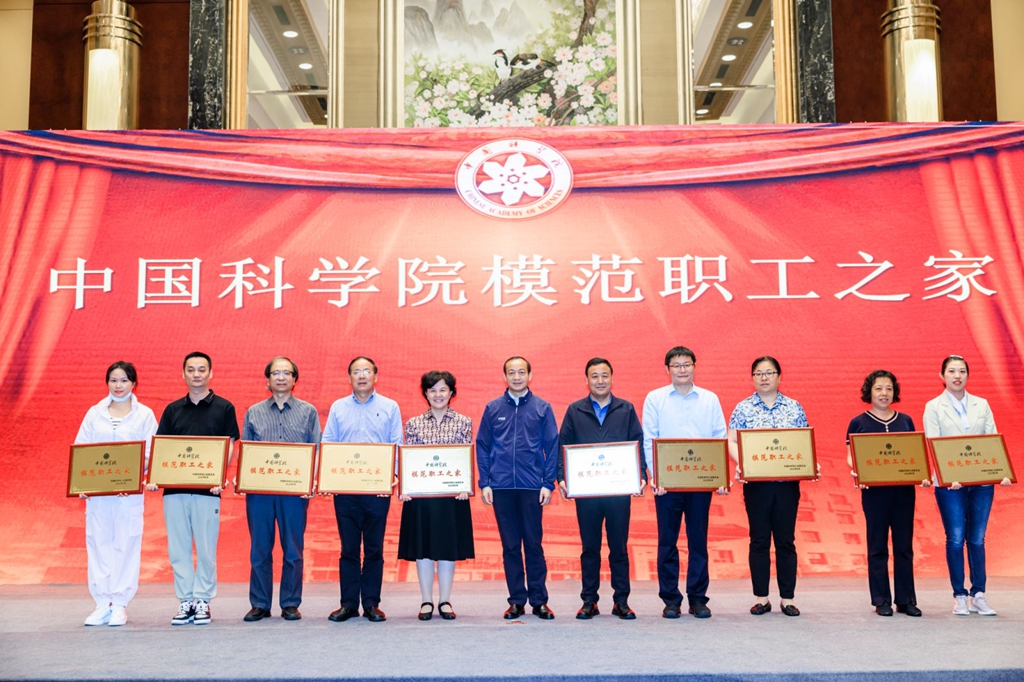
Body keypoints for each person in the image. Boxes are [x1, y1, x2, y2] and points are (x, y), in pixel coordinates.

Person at [154, 351, 239, 626]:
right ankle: (185, 600)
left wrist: (219, 477)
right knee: (178, 548)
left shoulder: (225, 407)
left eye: (202, 369)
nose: (196, 374)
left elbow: (229, 445)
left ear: (210, 373)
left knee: (206, 548)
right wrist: (156, 476)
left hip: (208, 491)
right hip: (175, 491)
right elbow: (163, 447)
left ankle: (202, 599)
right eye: (191, 369)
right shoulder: (172, 410)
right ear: (183, 374)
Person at [923, 355, 1012, 616]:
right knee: (955, 538)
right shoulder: (933, 407)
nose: (957, 376)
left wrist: (1001, 472)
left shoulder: (981, 404)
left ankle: (979, 594)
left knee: (977, 539)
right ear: (942, 376)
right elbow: (933, 443)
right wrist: (949, 474)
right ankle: (959, 595)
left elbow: (991, 440)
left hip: (981, 481)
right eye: (951, 371)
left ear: (968, 375)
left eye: (962, 371)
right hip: (949, 484)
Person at [557, 357, 645, 620]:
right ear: (586, 381)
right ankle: (589, 601)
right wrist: (562, 478)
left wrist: (640, 475)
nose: (600, 380)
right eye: (594, 376)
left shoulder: (626, 409)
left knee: (619, 547)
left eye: (604, 375)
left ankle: (621, 601)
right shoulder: (575, 410)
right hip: (587, 493)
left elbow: (637, 443)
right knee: (590, 548)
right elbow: (563, 446)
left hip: (618, 492)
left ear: (612, 378)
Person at [643, 346, 726, 619]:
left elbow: (719, 437)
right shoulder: (655, 398)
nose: (682, 369)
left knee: (698, 540)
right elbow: (649, 438)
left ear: (694, 367)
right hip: (667, 483)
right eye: (676, 365)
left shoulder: (709, 399)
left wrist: (720, 477)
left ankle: (698, 598)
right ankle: (671, 600)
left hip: (700, 482)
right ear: (667, 369)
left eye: (687, 364)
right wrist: (655, 476)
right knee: (667, 541)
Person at [75, 361, 158, 627]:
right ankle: (102, 603)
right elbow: (81, 449)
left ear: (134, 383)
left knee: (127, 542)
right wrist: (82, 484)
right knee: (98, 542)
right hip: (99, 493)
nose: (118, 385)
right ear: (107, 382)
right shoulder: (94, 413)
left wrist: (131, 477)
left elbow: (150, 452)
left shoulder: (144, 415)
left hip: (128, 493)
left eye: (124, 380)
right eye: (113, 380)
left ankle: (120, 604)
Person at [476, 356, 559, 620]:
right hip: (501, 487)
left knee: (533, 544)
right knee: (510, 546)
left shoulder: (542, 408)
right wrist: (485, 482)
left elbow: (552, 446)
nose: (516, 377)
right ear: (504, 377)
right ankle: (516, 601)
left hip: (532, 486)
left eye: (521, 372)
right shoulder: (493, 408)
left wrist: (547, 483)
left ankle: (539, 600)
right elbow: (483, 445)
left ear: (530, 376)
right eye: (511, 372)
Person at [240, 357, 322, 623]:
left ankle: (290, 602)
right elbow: (246, 451)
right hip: (260, 492)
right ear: (268, 379)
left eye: (287, 373)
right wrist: (244, 479)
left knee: (293, 550)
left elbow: (316, 449)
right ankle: (260, 603)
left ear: (294, 379)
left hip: (294, 493)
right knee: (260, 549)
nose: (281, 377)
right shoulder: (254, 412)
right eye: (276, 373)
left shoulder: (308, 411)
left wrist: (312, 481)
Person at [322, 356, 402, 623]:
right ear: (349, 378)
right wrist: (328, 478)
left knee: (374, 548)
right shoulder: (338, 407)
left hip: (377, 491)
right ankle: (348, 604)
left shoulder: (390, 406)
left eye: (367, 371)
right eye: (356, 371)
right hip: (345, 490)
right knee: (348, 548)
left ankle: (371, 603)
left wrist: (393, 476)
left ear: (375, 376)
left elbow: (397, 443)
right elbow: (328, 443)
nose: (362, 375)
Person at [728, 356, 808, 617]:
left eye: (769, 372)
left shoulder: (794, 407)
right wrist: (745, 464)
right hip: (757, 486)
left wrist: (810, 464)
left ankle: (787, 599)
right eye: (758, 373)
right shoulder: (743, 408)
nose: (764, 377)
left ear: (779, 376)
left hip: (786, 485)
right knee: (759, 540)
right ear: (752, 378)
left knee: (786, 540)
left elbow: (803, 442)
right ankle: (761, 598)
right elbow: (731, 441)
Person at [846, 369, 925, 617]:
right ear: (869, 392)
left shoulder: (906, 421)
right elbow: (851, 456)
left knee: (904, 546)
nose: (884, 393)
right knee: (877, 545)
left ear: (895, 392)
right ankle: (881, 600)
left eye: (889, 388)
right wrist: (858, 472)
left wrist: (921, 473)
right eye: (878, 388)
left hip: (903, 492)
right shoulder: (858, 422)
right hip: (874, 493)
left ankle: (906, 600)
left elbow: (915, 454)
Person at [397, 370, 475, 621]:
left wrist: (464, 485)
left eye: (443, 389)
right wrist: (405, 487)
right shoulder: (414, 423)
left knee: (447, 549)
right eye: (432, 390)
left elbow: (464, 458)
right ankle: (426, 601)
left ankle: (445, 600)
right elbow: (410, 460)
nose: (438, 394)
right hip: (421, 498)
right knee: (424, 549)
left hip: (452, 497)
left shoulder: (464, 422)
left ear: (452, 393)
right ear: (425, 393)